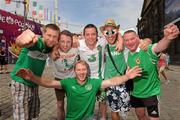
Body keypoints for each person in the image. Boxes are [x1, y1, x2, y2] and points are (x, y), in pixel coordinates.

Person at [15, 60, 142, 120]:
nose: (81, 72)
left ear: (87, 71)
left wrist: (127, 77)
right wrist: (32, 77)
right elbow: (49, 83)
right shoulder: (68, 83)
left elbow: (111, 81)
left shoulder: (94, 82)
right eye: (78, 70)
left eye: (84, 69)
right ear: (74, 71)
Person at [123, 23, 179, 120]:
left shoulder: (147, 49)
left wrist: (168, 38)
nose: (130, 42)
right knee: (140, 115)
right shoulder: (126, 55)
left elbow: (158, 47)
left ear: (138, 38)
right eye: (126, 40)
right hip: (136, 93)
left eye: (132, 39)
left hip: (151, 93)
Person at [100, 18, 152, 120]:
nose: (110, 34)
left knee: (125, 112)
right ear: (104, 33)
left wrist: (147, 41)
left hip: (123, 82)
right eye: (107, 32)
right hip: (110, 83)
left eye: (113, 31)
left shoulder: (125, 43)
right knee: (114, 111)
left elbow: (143, 40)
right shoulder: (103, 44)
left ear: (117, 31)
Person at [10, 24, 60, 120]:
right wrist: (22, 38)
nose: (51, 39)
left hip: (34, 83)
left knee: (30, 114)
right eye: (49, 35)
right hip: (21, 81)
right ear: (43, 34)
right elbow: (22, 42)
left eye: (54, 37)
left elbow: (53, 51)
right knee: (22, 117)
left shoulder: (49, 47)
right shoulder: (37, 42)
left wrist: (54, 51)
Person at [50, 30, 79, 120]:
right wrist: (54, 49)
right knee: (60, 104)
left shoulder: (76, 48)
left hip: (72, 80)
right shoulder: (52, 49)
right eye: (62, 41)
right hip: (58, 80)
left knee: (73, 104)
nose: (65, 45)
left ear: (72, 42)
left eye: (68, 42)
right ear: (58, 41)